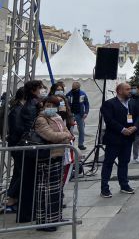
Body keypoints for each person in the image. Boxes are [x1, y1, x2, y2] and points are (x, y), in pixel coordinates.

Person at [32, 96, 73, 232]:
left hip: (59, 155)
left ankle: (56, 218)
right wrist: (65, 136)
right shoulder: (41, 119)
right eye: (48, 105)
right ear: (44, 105)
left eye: (53, 105)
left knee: (56, 190)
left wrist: (65, 135)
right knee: (46, 190)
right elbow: (50, 136)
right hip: (47, 157)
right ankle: (45, 221)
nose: (51, 108)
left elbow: (67, 131)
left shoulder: (57, 117)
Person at [100, 83, 139, 198]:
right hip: (114, 139)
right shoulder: (109, 104)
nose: (130, 91)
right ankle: (104, 188)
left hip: (128, 139)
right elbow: (109, 120)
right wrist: (122, 129)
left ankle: (124, 185)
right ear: (119, 91)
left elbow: (138, 116)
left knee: (124, 162)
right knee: (108, 163)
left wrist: (135, 127)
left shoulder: (132, 103)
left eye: (130, 89)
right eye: (127, 89)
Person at [15, 80, 47, 223]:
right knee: (29, 181)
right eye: (40, 88)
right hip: (31, 149)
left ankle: (29, 212)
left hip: (31, 148)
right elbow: (32, 128)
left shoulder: (33, 104)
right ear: (34, 90)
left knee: (30, 181)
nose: (43, 90)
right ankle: (26, 214)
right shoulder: (31, 106)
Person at [5, 87, 26, 214]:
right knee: (20, 172)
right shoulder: (17, 110)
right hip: (17, 145)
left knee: (19, 172)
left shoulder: (18, 109)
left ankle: (12, 198)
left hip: (17, 144)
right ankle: (11, 198)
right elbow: (18, 128)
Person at [66, 81, 89, 150]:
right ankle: (70, 144)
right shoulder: (68, 94)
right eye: (73, 87)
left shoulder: (83, 94)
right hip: (71, 115)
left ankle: (80, 144)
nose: (74, 89)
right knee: (70, 130)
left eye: (75, 88)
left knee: (81, 130)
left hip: (80, 114)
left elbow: (86, 103)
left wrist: (86, 112)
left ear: (79, 87)